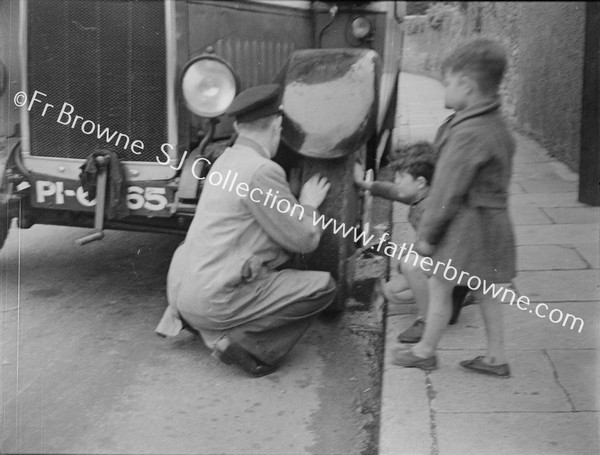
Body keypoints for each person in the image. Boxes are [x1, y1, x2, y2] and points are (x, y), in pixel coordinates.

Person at [155, 84, 337, 377]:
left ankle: (201, 321)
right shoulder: (262, 171)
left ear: (238, 126)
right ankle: (246, 345)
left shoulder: (225, 160)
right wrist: (308, 204)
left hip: (182, 292)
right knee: (323, 287)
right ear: (278, 125)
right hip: (213, 301)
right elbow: (306, 240)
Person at [392, 38, 516, 378]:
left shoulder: (467, 133)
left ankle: (425, 351)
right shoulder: (496, 124)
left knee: (439, 285)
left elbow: (446, 191)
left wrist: (428, 236)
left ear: (466, 85)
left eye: (447, 83)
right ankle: (496, 357)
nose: (444, 89)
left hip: (467, 225)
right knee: (487, 289)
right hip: (494, 221)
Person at [355, 142, 468, 343]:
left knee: (410, 265)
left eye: (400, 177)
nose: (396, 181)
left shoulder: (432, 209)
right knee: (392, 292)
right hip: (447, 262)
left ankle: (427, 320)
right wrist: (368, 186)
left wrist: (408, 255)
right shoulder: (422, 194)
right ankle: (454, 298)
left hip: (455, 263)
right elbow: (393, 191)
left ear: (420, 182)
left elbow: (431, 247)